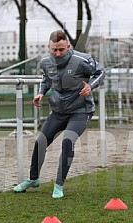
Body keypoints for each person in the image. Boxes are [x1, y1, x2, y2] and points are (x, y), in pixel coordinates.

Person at [13, 30, 105, 198]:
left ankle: (58, 185)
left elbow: (101, 72)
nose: (57, 53)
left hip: (80, 111)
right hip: (58, 111)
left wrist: (90, 86)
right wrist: (41, 92)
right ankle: (33, 179)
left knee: (67, 141)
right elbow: (46, 78)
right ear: (49, 47)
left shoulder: (82, 60)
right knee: (40, 142)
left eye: (61, 50)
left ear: (68, 46)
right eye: (54, 50)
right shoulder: (45, 62)